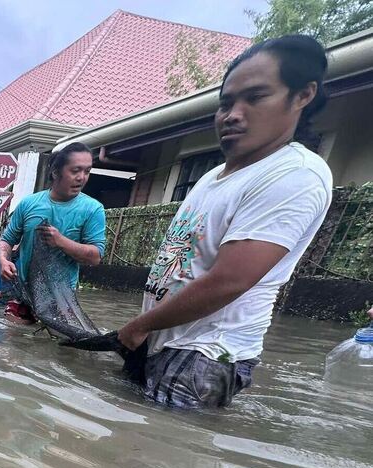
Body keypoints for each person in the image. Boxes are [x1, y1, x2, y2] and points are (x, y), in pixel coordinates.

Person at [116, 35, 332, 408]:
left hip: (205, 356)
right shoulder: (214, 175)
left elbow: (229, 280)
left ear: (302, 96)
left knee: (159, 461)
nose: (233, 114)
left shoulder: (294, 175)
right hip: (161, 340)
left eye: (255, 97)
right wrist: (146, 330)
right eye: (226, 103)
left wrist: (139, 326)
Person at [0, 142, 106, 322]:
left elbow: (95, 257)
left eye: (87, 171)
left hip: (61, 299)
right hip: (22, 292)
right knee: (13, 344)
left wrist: (61, 241)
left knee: (55, 348)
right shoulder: (28, 204)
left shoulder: (93, 210)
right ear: (56, 172)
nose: (82, 177)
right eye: (75, 170)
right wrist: (3, 260)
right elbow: (7, 240)